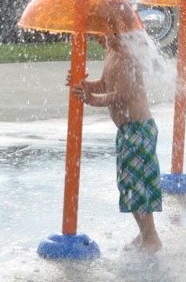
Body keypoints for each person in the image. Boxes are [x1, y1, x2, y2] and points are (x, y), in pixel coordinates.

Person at [70, 32, 163, 253]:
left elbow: (123, 93)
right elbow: (106, 83)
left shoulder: (127, 55)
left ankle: (152, 238)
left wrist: (93, 100)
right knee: (129, 183)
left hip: (138, 130)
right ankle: (145, 234)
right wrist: (86, 85)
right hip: (127, 130)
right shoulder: (111, 53)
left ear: (114, 30)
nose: (95, 38)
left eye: (99, 33)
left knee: (138, 184)